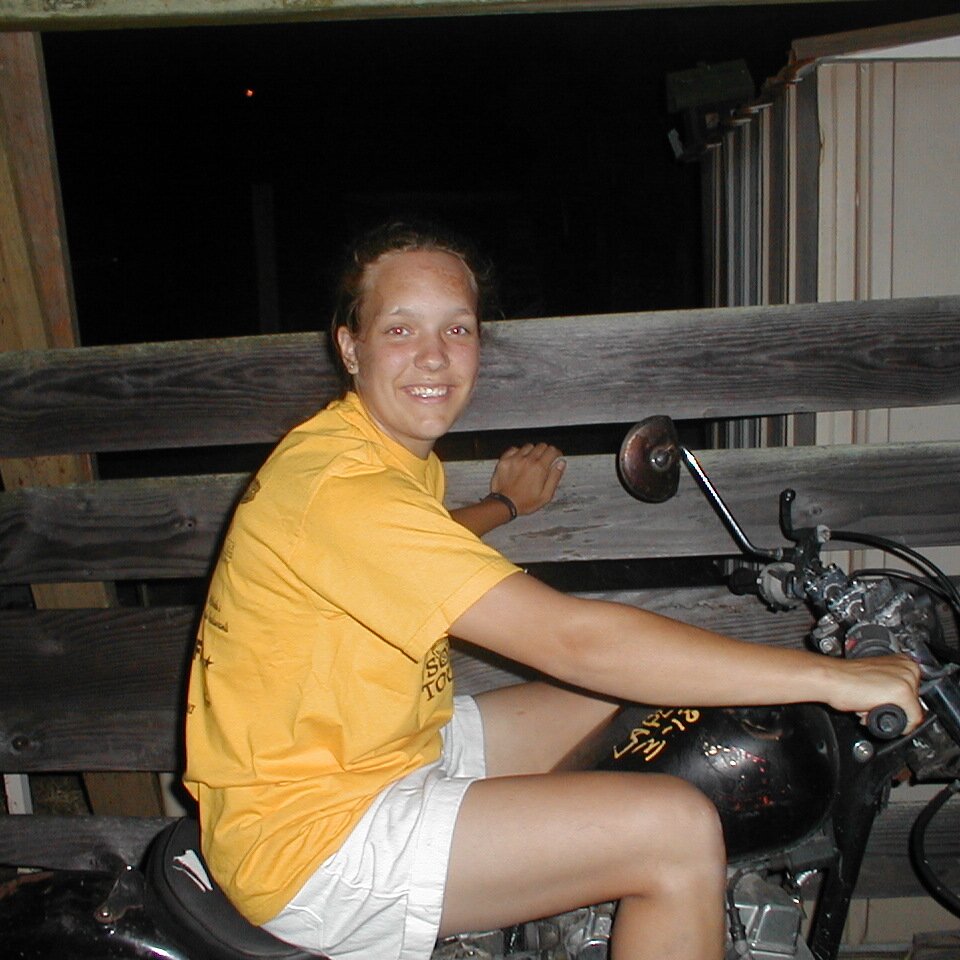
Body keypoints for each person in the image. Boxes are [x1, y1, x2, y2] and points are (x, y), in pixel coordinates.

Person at [183, 221, 922, 960]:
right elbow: (573, 640)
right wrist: (834, 679)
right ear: (351, 346)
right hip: (313, 840)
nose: (433, 356)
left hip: (383, 747)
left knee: (649, 703)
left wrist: (504, 507)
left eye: (457, 328)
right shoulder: (342, 488)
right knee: (675, 831)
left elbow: (400, 552)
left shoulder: (366, 451)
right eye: (400, 328)